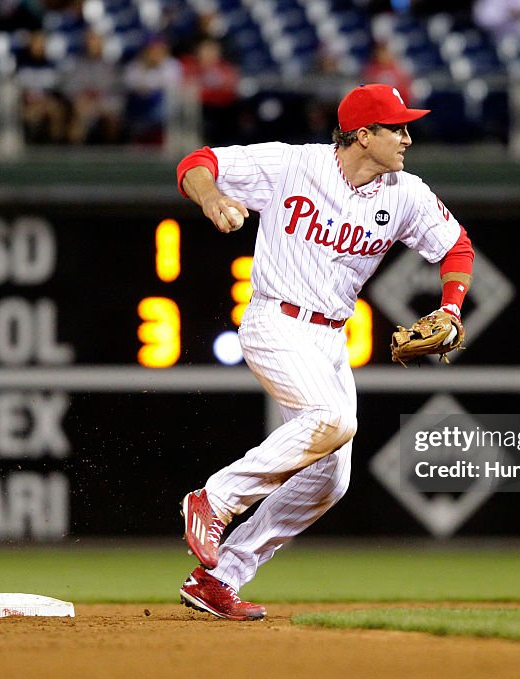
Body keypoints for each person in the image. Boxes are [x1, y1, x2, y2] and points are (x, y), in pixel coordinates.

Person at [175, 83, 475, 620]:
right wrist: (212, 197)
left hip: (330, 337)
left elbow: (456, 246)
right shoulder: (291, 165)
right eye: (397, 128)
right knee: (333, 419)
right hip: (275, 320)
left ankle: (218, 578)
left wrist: (451, 308)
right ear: (364, 135)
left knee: (328, 480)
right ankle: (214, 500)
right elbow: (197, 163)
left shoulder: (403, 192)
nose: (408, 137)